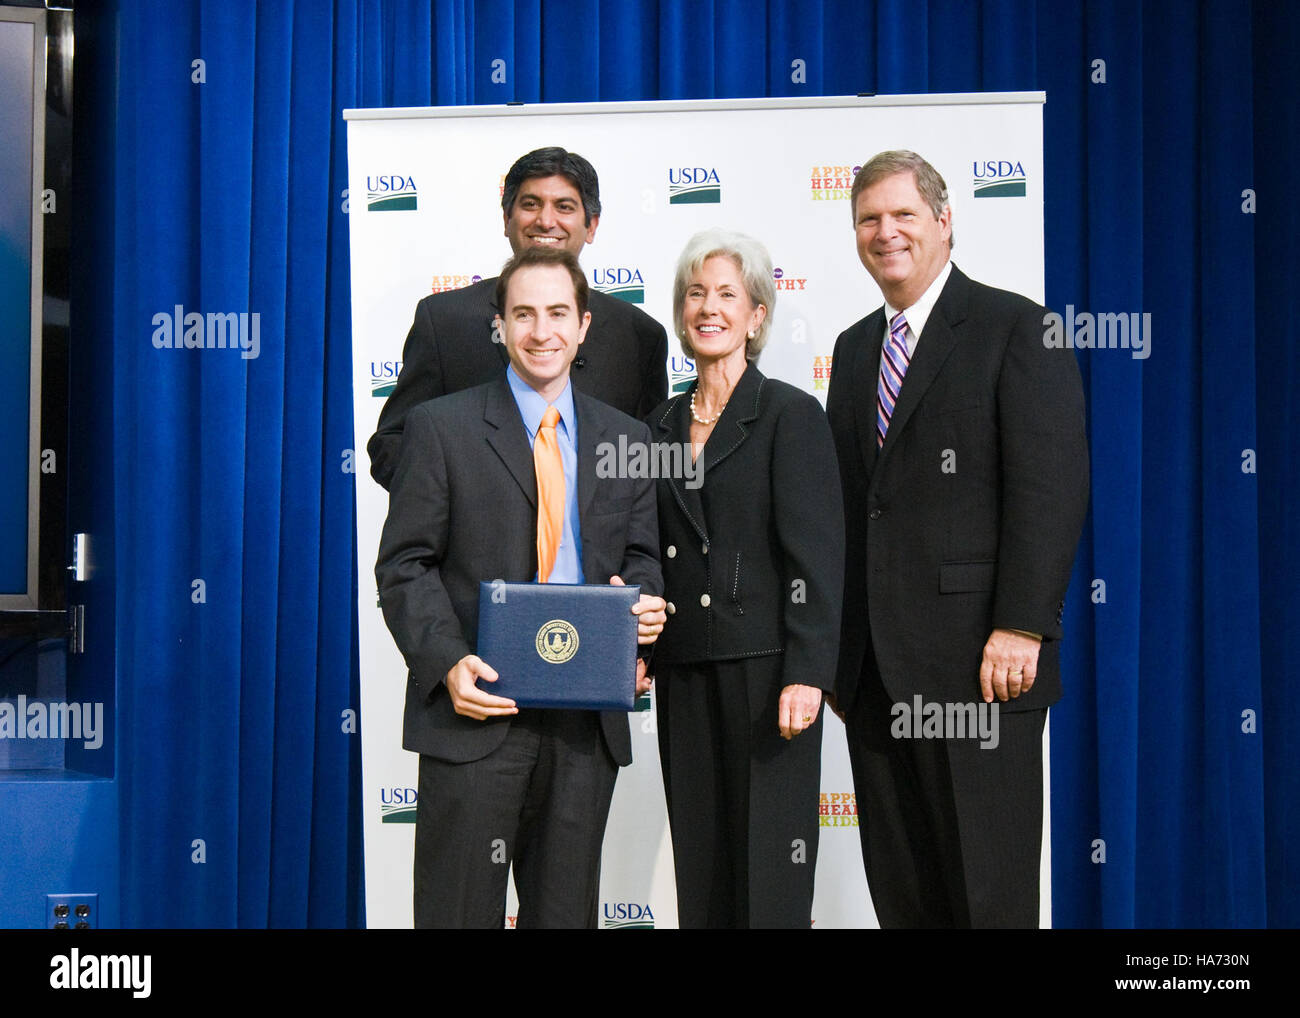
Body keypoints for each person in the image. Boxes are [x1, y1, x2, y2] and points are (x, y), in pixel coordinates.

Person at [826, 150, 1089, 928]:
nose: (886, 233)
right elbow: (851, 507)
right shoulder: (852, 350)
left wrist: (1023, 623)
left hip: (982, 670)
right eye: (869, 219)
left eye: (904, 214)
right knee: (906, 899)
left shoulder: (1019, 327)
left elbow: (1050, 488)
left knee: (988, 897)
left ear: (945, 221)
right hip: (874, 680)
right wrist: (839, 657)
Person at [375, 246, 667, 928]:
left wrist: (644, 613)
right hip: (476, 717)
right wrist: (447, 662)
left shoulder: (624, 438)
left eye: (559, 313)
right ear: (499, 326)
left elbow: (644, 559)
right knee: (458, 914)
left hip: (582, 729)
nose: (543, 331)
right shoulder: (439, 428)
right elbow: (404, 565)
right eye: (525, 314)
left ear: (584, 326)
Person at [646, 229, 844, 928]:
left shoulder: (790, 415)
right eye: (695, 293)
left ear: (757, 316)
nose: (709, 307)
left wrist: (809, 673)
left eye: (727, 294)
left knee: (770, 875)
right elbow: (645, 551)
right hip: (685, 672)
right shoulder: (658, 427)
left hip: (769, 678)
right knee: (702, 870)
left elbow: (818, 560)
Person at [368, 146, 668, 490]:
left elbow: (649, 466)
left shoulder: (639, 336)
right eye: (530, 204)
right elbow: (390, 445)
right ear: (507, 219)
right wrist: (464, 503)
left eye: (565, 207)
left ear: (591, 226)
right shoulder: (443, 321)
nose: (546, 220)